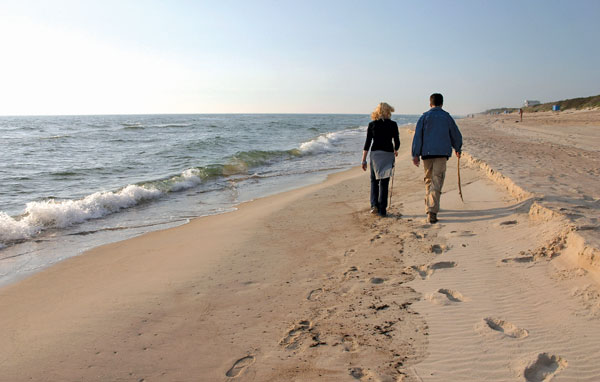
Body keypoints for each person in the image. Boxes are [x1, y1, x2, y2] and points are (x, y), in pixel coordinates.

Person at [411, 93, 462, 223]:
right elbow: (455, 134)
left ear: (430, 104)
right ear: (442, 103)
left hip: (427, 154)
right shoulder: (446, 117)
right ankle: (432, 211)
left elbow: (418, 137)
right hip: (441, 153)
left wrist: (415, 154)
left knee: (430, 180)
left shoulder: (424, 117)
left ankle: (430, 205)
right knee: (436, 180)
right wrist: (457, 148)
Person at [361, 102, 400, 217]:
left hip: (375, 155)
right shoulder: (393, 125)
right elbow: (397, 142)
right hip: (388, 154)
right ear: (388, 111)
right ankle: (383, 209)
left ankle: (374, 205)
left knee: (374, 180)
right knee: (384, 181)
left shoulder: (372, 124)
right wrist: (395, 150)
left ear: (377, 111)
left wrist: (363, 160)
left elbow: (367, 143)